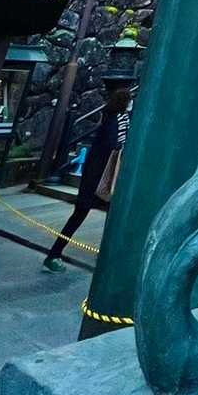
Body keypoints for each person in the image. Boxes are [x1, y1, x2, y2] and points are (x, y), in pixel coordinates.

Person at [42, 88, 130, 272]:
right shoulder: (118, 120)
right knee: (106, 216)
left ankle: (55, 253)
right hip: (104, 176)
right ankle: (56, 254)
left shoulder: (108, 118)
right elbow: (115, 144)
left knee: (79, 216)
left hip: (94, 174)